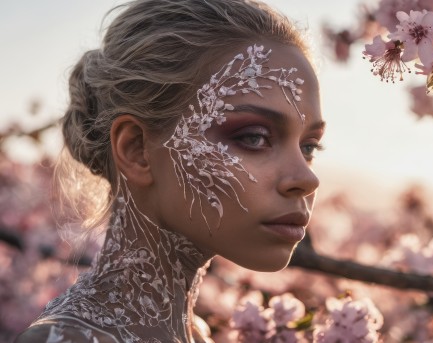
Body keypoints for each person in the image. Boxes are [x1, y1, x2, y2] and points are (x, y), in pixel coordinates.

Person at [16, 0, 325, 341]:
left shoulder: (195, 333)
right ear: (137, 150)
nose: (307, 179)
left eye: (308, 147)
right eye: (253, 137)